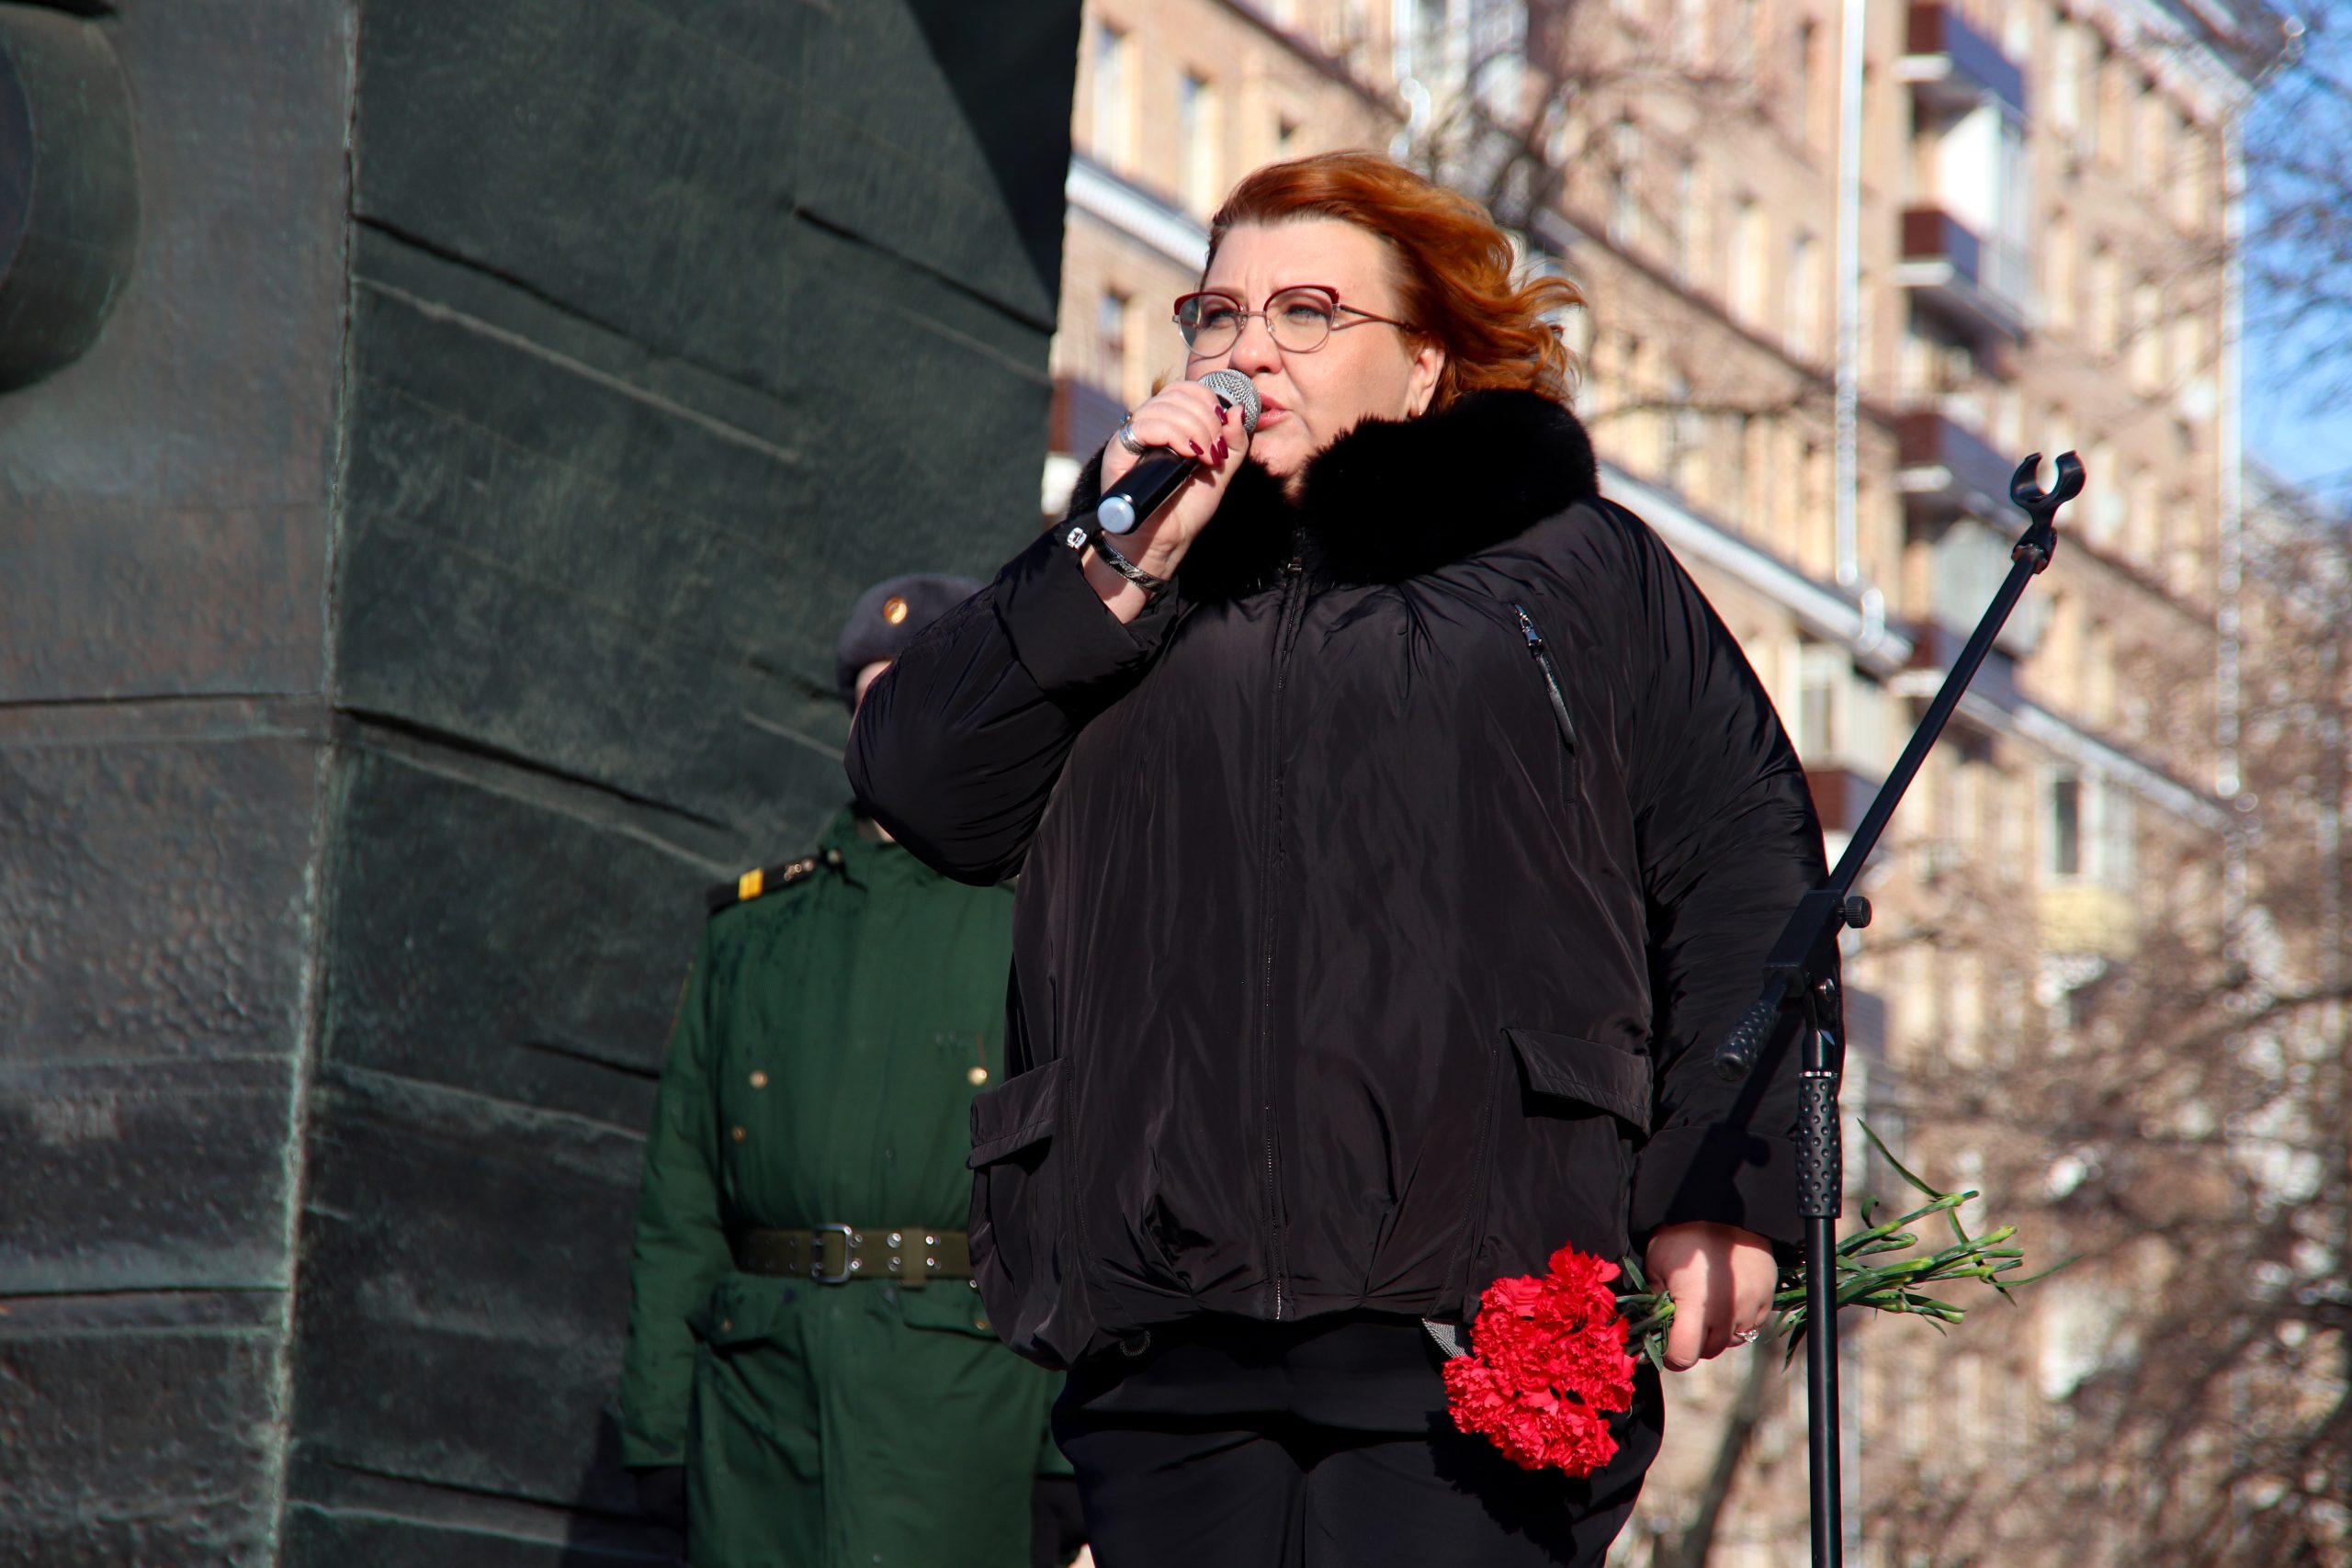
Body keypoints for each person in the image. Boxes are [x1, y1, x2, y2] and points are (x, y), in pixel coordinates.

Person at [845, 152, 1826, 1567]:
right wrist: (1109, 560)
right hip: (1165, 1329)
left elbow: (1744, 868)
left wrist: (1721, 1181)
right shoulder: (1129, 567)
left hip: (1477, 1323)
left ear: (1424, 364)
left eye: (1307, 312)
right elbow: (921, 783)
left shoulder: (1572, 568)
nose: (1248, 350)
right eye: (1217, 314)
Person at [616, 573, 1081, 1568]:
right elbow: (681, 1203)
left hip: (962, 1419)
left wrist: (1068, 1453)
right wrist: (657, 1429)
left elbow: (1082, 1206)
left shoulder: (1041, 926)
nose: (888, 724)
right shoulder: (755, 931)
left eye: (914, 693)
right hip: (759, 1417)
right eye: (872, 699)